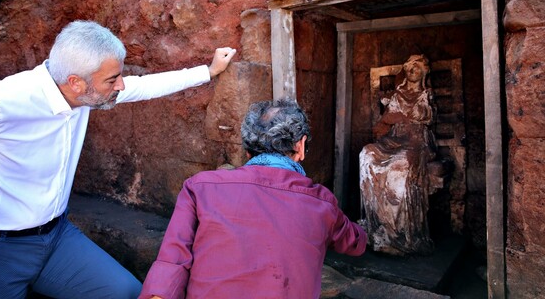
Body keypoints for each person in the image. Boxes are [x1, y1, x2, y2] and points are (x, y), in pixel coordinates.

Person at [0, 20, 236, 298]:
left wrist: (208, 71)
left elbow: (143, 86)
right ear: (76, 82)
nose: (121, 84)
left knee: (126, 293)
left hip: (57, 239)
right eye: (112, 79)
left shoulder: (83, 92)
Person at [139, 99, 367, 299]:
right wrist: (364, 234)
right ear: (301, 146)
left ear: (248, 150)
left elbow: (171, 262)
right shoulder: (321, 203)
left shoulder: (200, 187)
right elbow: (353, 242)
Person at [359, 54, 436, 256]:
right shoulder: (397, 94)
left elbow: (426, 119)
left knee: (399, 164)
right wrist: (393, 117)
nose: (412, 71)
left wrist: (401, 116)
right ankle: (376, 225)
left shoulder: (426, 94)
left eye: (417, 67)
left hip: (416, 142)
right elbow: (386, 120)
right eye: (409, 67)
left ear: (424, 72)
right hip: (393, 138)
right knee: (366, 154)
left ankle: (399, 232)